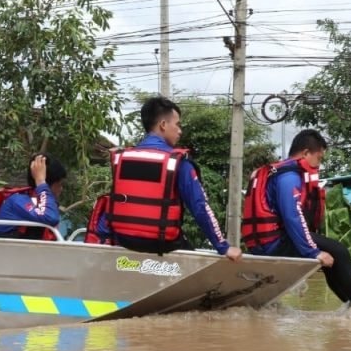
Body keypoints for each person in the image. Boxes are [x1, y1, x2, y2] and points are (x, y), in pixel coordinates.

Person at [242, 129, 351, 318]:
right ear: (305, 153)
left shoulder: (280, 172)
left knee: (331, 260)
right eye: (319, 158)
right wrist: (313, 251)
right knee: (339, 250)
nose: (319, 165)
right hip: (274, 243)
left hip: (265, 242)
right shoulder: (289, 176)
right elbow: (293, 216)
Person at [87, 96, 242, 261]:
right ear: (163, 125)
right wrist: (223, 247)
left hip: (123, 241)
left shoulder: (122, 159)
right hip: (161, 244)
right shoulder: (178, 163)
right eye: (177, 124)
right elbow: (200, 207)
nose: (180, 131)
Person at [0, 153, 67, 240]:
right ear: (47, 185)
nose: (61, 189)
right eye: (59, 185)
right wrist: (41, 182)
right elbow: (51, 217)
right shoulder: (17, 201)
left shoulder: (38, 203)